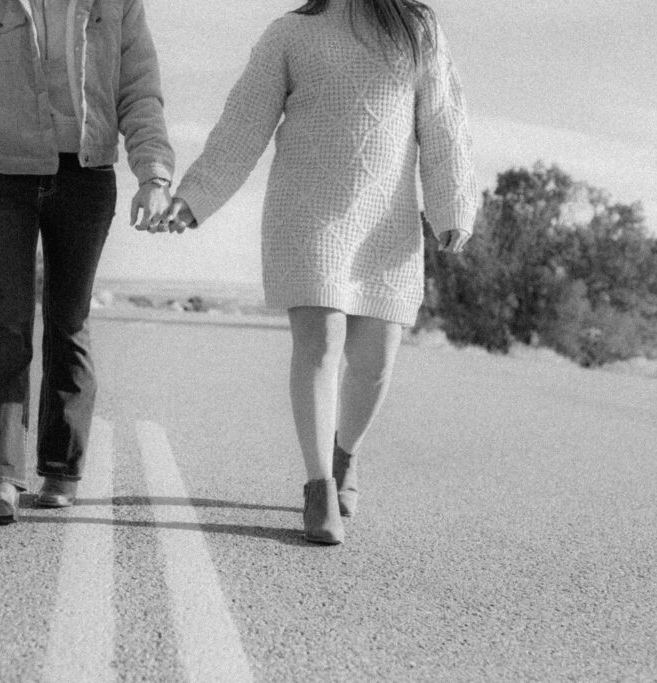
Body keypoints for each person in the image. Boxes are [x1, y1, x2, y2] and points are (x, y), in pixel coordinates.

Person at [164, 0, 477, 544]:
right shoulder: (290, 33)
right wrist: (195, 197)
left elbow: (443, 121)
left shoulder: (417, 30)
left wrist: (452, 206)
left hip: (386, 221)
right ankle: (319, 487)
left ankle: (346, 453)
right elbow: (243, 123)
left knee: (374, 364)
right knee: (319, 346)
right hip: (307, 213)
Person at [0, 0, 175, 525]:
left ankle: (61, 466)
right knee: (7, 320)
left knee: (69, 320)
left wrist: (153, 174)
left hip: (85, 176)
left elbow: (139, 89)